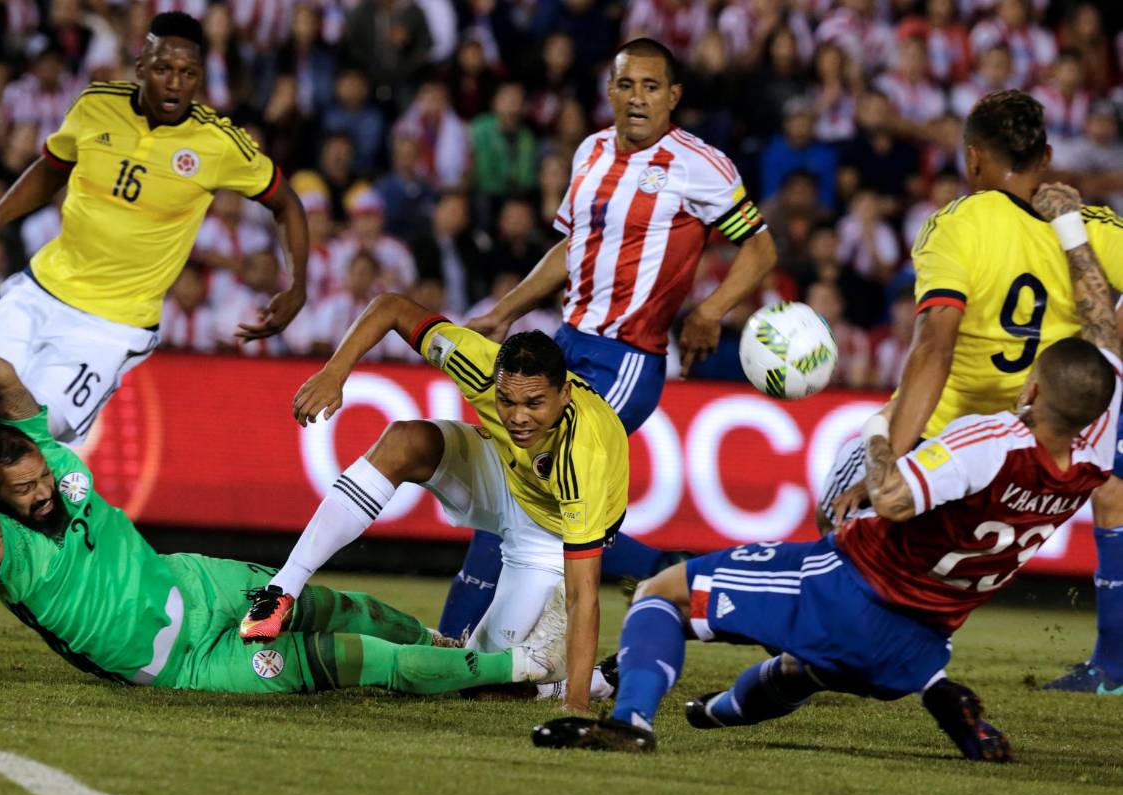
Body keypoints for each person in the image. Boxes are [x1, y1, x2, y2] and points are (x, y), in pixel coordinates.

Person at [533, 181, 1120, 753]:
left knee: (662, 594)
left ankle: (631, 721)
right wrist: (1072, 229)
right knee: (804, 668)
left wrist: (878, 435)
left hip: (851, 591)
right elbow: (1104, 331)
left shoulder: (987, 440)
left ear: (1032, 390)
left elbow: (891, 498)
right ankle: (739, 709)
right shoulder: (1094, 452)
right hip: (922, 641)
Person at [0, 327, 566, 696]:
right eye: (24, 490)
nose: (44, 490)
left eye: (42, 477)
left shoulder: (45, 458)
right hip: (190, 665)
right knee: (362, 660)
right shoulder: (6, 552)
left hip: (200, 584)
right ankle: (526, 668)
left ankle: (439, 648)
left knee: (342, 607)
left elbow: (4, 380)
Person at [0, 12, 309, 604]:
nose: (175, 82)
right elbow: (51, 168)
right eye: (164, 68)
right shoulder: (97, 105)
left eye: (188, 73)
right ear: (141, 64)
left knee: (17, 450)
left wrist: (297, 286)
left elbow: (287, 203)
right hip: (37, 294)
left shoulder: (218, 143)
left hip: (108, 330)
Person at [446, 37, 777, 649]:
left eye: (651, 86)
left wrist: (711, 310)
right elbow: (570, 249)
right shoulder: (591, 151)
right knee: (517, 487)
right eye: (626, 85)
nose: (637, 98)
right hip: (566, 344)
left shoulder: (699, 164)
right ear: (610, 91)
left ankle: (460, 640)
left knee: (531, 485)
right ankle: (671, 576)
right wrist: (504, 311)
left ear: (673, 96)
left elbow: (760, 247)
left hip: (628, 358)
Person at [816, 91, 1123, 696]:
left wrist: (892, 455)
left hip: (950, 433)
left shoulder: (956, 225)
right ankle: (1111, 664)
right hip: (1035, 446)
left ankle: (826, 649)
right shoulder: (1089, 228)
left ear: (973, 157)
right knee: (1111, 487)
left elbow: (934, 347)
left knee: (836, 514)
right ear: (1046, 156)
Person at [237, 292, 629, 714]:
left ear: (565, 394)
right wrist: (335, 372)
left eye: (534, 404)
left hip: (550, 533)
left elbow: (583, 595)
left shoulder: (582, 456)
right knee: (405, 441)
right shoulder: (479, 365)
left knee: (480, 683)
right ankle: (281, 589)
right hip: (505, 473)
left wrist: (576, 707)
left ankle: (596, 682)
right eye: (507, 401)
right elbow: (390, 307)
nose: (518, 417)